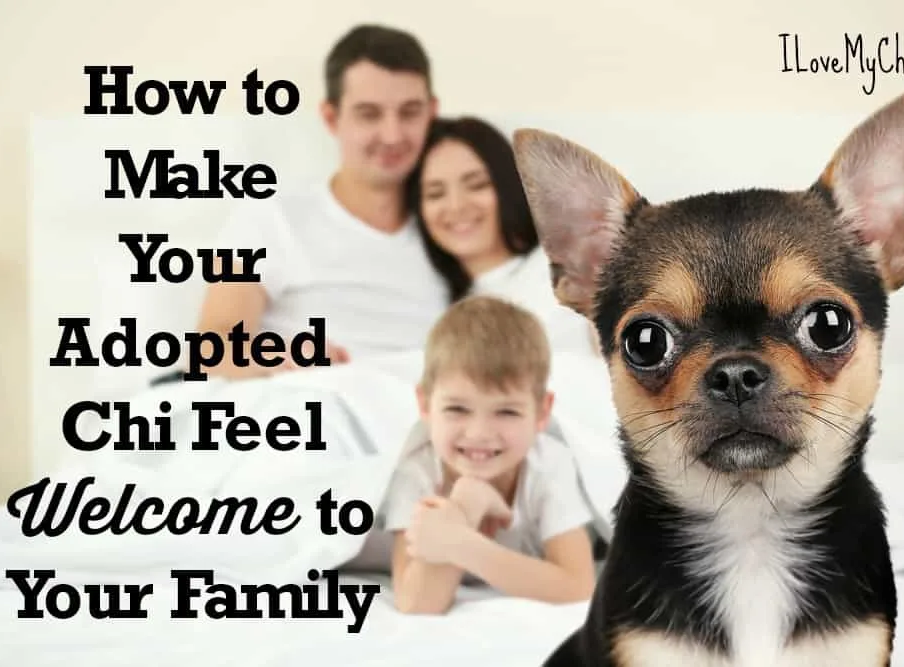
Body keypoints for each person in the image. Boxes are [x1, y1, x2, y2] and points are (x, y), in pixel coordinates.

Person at [194, 24, 449, 379]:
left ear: (431, 112)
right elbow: (211, 345)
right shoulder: (271, 216)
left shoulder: (456, 226)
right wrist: (289, 356)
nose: (392, 135)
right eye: (369, 114)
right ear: (331, 118)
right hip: (316, 407)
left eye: (409, 112)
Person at [380, 295, 597, 614]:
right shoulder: (418, 471)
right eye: (457, 409)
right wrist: (468, 503)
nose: (479, 433)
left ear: (541, 412)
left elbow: (578, 587)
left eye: (507, 412)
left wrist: (460, 543)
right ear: (425, 405)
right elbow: (417, 604)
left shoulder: (548, 464)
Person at [408, 116, 600, 354]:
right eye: (435, 194)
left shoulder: (567, 264)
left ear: (507, 185)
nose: (456, 206)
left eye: (477, 185)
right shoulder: (435, 312)